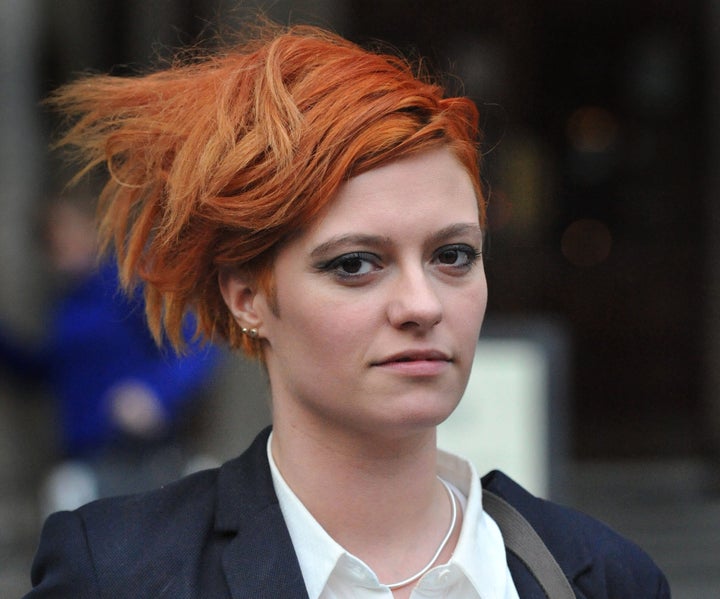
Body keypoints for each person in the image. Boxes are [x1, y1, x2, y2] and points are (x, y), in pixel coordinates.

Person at [24, 22, 670, 598]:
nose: (422, 304)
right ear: (246, 295)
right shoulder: (118, 570)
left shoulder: (601, 575)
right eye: (355, 264)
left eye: (453, 255)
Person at [0, 196, 220, 514]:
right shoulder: (64, 305)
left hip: (144, 457)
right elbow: (49, 369)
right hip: (85, 460)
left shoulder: (127, 284)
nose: (65, 246)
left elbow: (197, 345)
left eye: (70, 233)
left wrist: (155, 392)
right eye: (53, 243)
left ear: (92, 230)